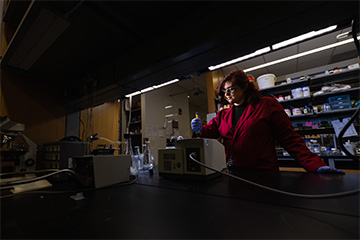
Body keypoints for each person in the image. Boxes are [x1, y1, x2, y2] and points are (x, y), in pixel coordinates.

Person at [191, 70, 344, 174]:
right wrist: (199, 129)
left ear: (245, 86)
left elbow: (290, 139)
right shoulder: (223, 114)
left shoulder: (267, 105)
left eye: (232, 89)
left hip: (263, 174)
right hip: (232, 173)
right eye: (224, 91)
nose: (227, 94)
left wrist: (316, 165)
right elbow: (207, 133)